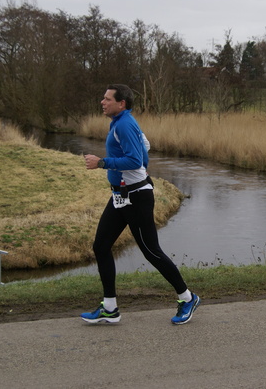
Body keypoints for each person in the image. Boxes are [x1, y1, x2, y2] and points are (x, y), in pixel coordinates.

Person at [80, 84, 200, 324]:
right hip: (121, 196)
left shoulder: (124, 124)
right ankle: (110, 308)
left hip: (136, 197)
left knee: (151, 251)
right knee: (101, 246)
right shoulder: (123, 122)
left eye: (107, 99)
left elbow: (135, 160)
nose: (102, 102)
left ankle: (187, 298)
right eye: (102, 98)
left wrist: (102, 162)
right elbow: (145, 148)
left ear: (121, 103)